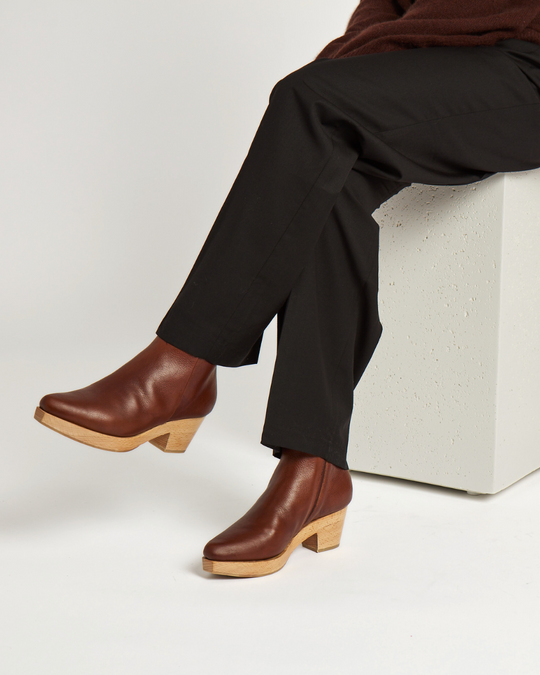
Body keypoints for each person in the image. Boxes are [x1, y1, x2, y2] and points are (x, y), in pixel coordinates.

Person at [34, 1, 540, 578]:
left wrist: (380, 57)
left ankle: (183, 365)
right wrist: (377, 52)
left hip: (528, 71)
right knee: (330, 176)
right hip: (456, 65)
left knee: (310, 99)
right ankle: (315, 469)